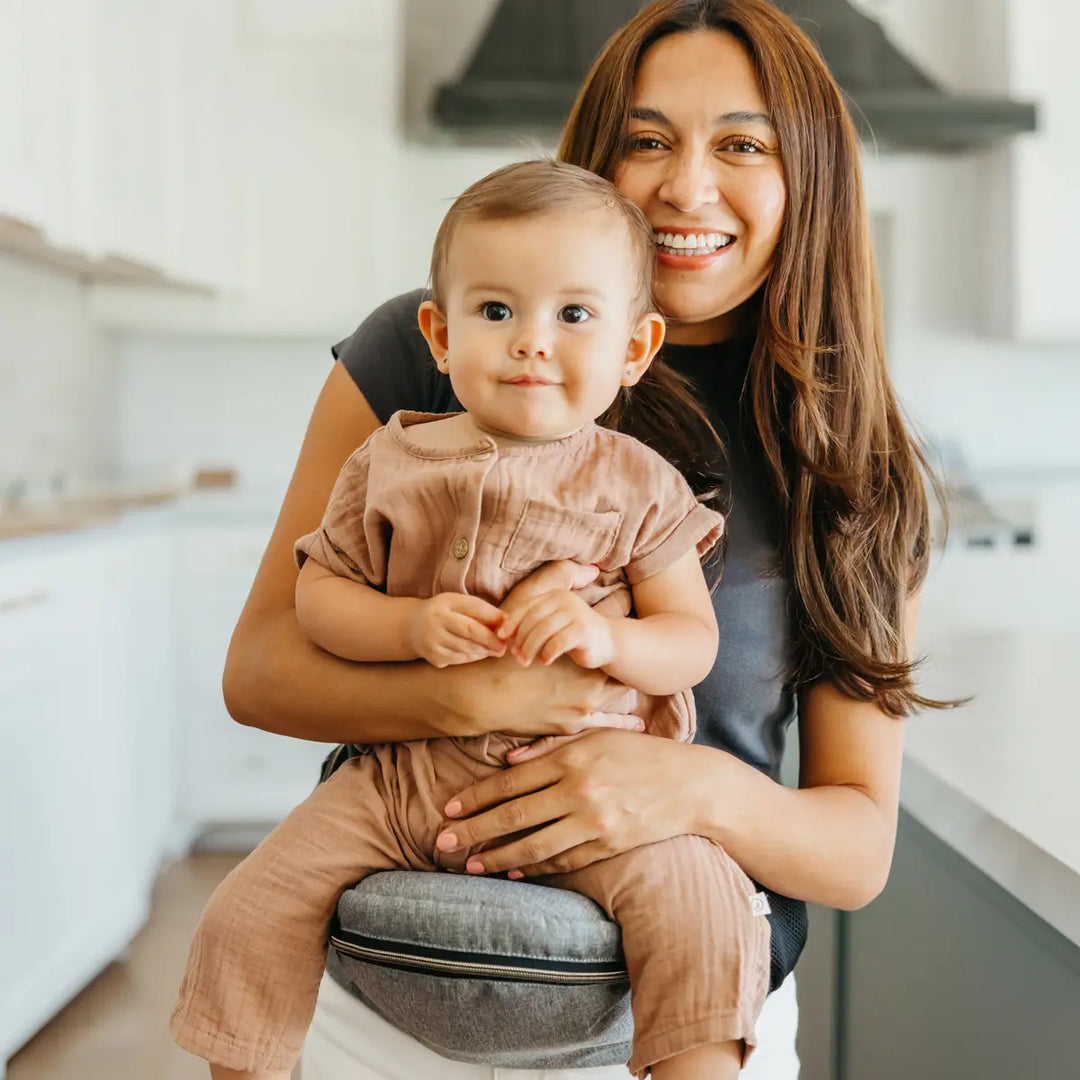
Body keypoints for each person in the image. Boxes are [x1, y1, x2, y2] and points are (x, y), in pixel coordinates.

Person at [219, 1, 949, 1077]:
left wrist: (676, 785)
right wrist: (471, 697)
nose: (686, 187)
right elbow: (262, 669)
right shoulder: (437, 353)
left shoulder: (851, 462)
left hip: (680, 1025)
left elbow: (857, 850)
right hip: (389, 1023)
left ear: (811, 179)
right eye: (647, 140)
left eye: (741, 145)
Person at [171, 159, 775, 1080]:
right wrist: (408, 630)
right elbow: (319, 597)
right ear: (440, 335)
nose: (532, 343)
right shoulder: (390, 458)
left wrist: (609, 638)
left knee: (701, 903)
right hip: (401, 785)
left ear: (635, 347)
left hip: (591, 788)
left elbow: (691, 641)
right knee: (253, 904)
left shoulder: (640, 483)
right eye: (497, 312)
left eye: (574, 316)